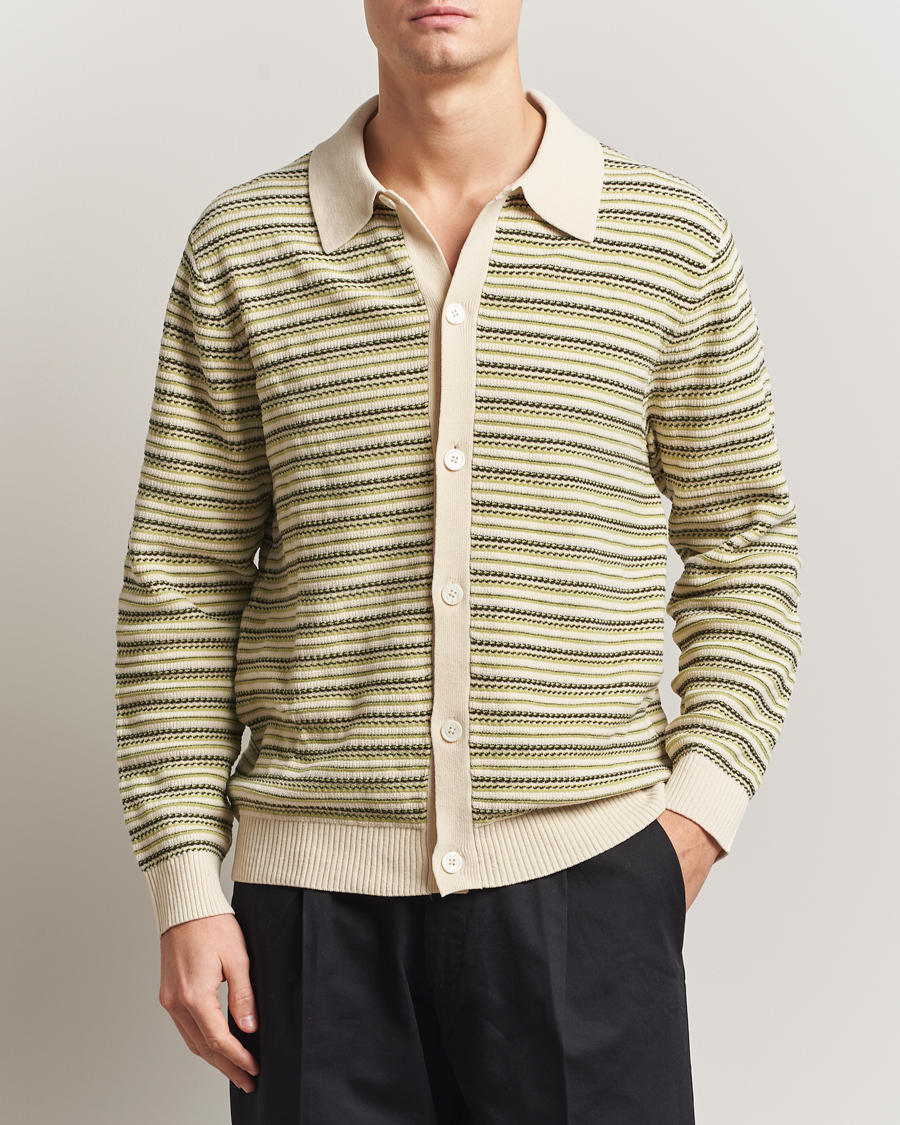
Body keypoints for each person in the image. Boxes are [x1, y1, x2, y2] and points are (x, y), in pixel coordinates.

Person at [115, 2, 802, 1122]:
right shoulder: (244, 247)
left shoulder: (669, 239)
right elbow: (181, 579)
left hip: (592, 884)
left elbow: (743, 538)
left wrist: (699, 812)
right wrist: (184, 882)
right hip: (312, 913)